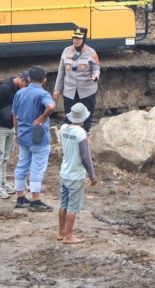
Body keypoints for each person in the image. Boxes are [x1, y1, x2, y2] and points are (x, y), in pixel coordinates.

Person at [13, 66, 56, 212]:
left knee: (22, 164)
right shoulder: (42, 93)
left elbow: (15, 114)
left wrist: (16, 133)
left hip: (23, 134)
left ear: (29, 79)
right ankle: (36, 200)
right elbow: (50, 107)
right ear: (44, 80)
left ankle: (20, 197)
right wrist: (42, 117)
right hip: (38, 135)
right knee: (37, 167)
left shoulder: (20, 92)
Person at [0, 71, 29, 199]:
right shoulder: (4, 88)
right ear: (22, 80)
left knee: (5, 157)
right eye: (26, 85)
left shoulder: (17, 89)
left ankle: (3, 183)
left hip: (9, 126)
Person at [57, 103, 98, 244]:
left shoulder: (64, 128)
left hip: (64, 172)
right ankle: (69, 235)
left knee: (63, 204)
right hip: (75, 175)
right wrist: (92, 176)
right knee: (72, 207)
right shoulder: (81, 134)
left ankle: (61, 232)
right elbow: (85, 157)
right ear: (83, 118)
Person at [53, 27, 100, 132]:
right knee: (70, 116)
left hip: (87, 91)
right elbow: (61, 71)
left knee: (86, 117)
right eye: (74, 38)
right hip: (70, 91)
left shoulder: (91, 52)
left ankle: (85, 137)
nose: (76, 41)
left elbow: (96, 68)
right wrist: (57, 89)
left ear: (84, 39)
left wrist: (95, 76)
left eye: (79, 38)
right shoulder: (66, 51)